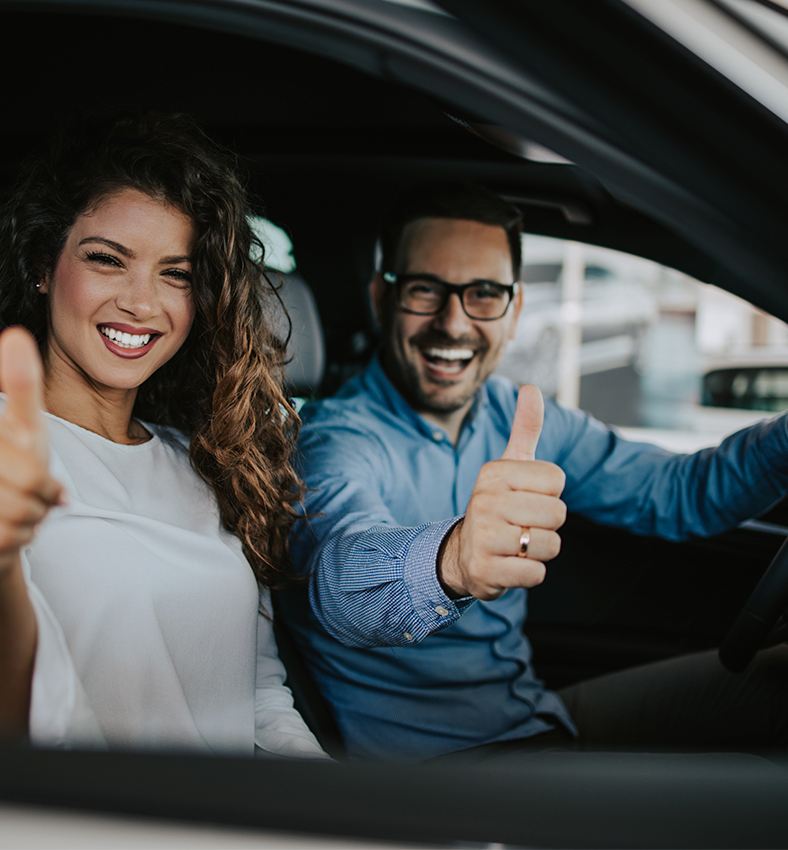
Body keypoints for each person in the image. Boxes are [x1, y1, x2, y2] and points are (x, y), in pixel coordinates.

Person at [283, 181, 788, 761]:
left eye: (484, 294)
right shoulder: (334, 440)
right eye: (425, 290)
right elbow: (338, 577)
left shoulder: (515, 413)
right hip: (451, 773)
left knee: (779, 682)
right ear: (381, 298)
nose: (454, 322)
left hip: (533, 715)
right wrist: (453, 561)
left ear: (516, 309)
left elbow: (682, 493)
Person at [0, 112, 327, 758]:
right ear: (43, 266)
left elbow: (258, 697)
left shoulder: (202, 460)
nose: (141, 303)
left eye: (174, 274)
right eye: (106, 260)